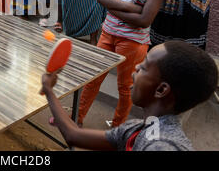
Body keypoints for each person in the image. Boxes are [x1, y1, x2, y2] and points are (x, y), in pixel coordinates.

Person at [41, 40, 218, 151]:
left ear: (161, 90)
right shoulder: (136, 129)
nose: (136, 68)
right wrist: (49, 90)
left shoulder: (163, 145)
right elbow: (74, 136)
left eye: (145, 66)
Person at [77, 0, 170, 128]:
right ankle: (78, 118)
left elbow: (145, 20)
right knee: (93, 78)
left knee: (126, 87)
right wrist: (131, 7)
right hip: (107, 33)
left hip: (133, 41)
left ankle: (118, 127)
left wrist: (113, 7)